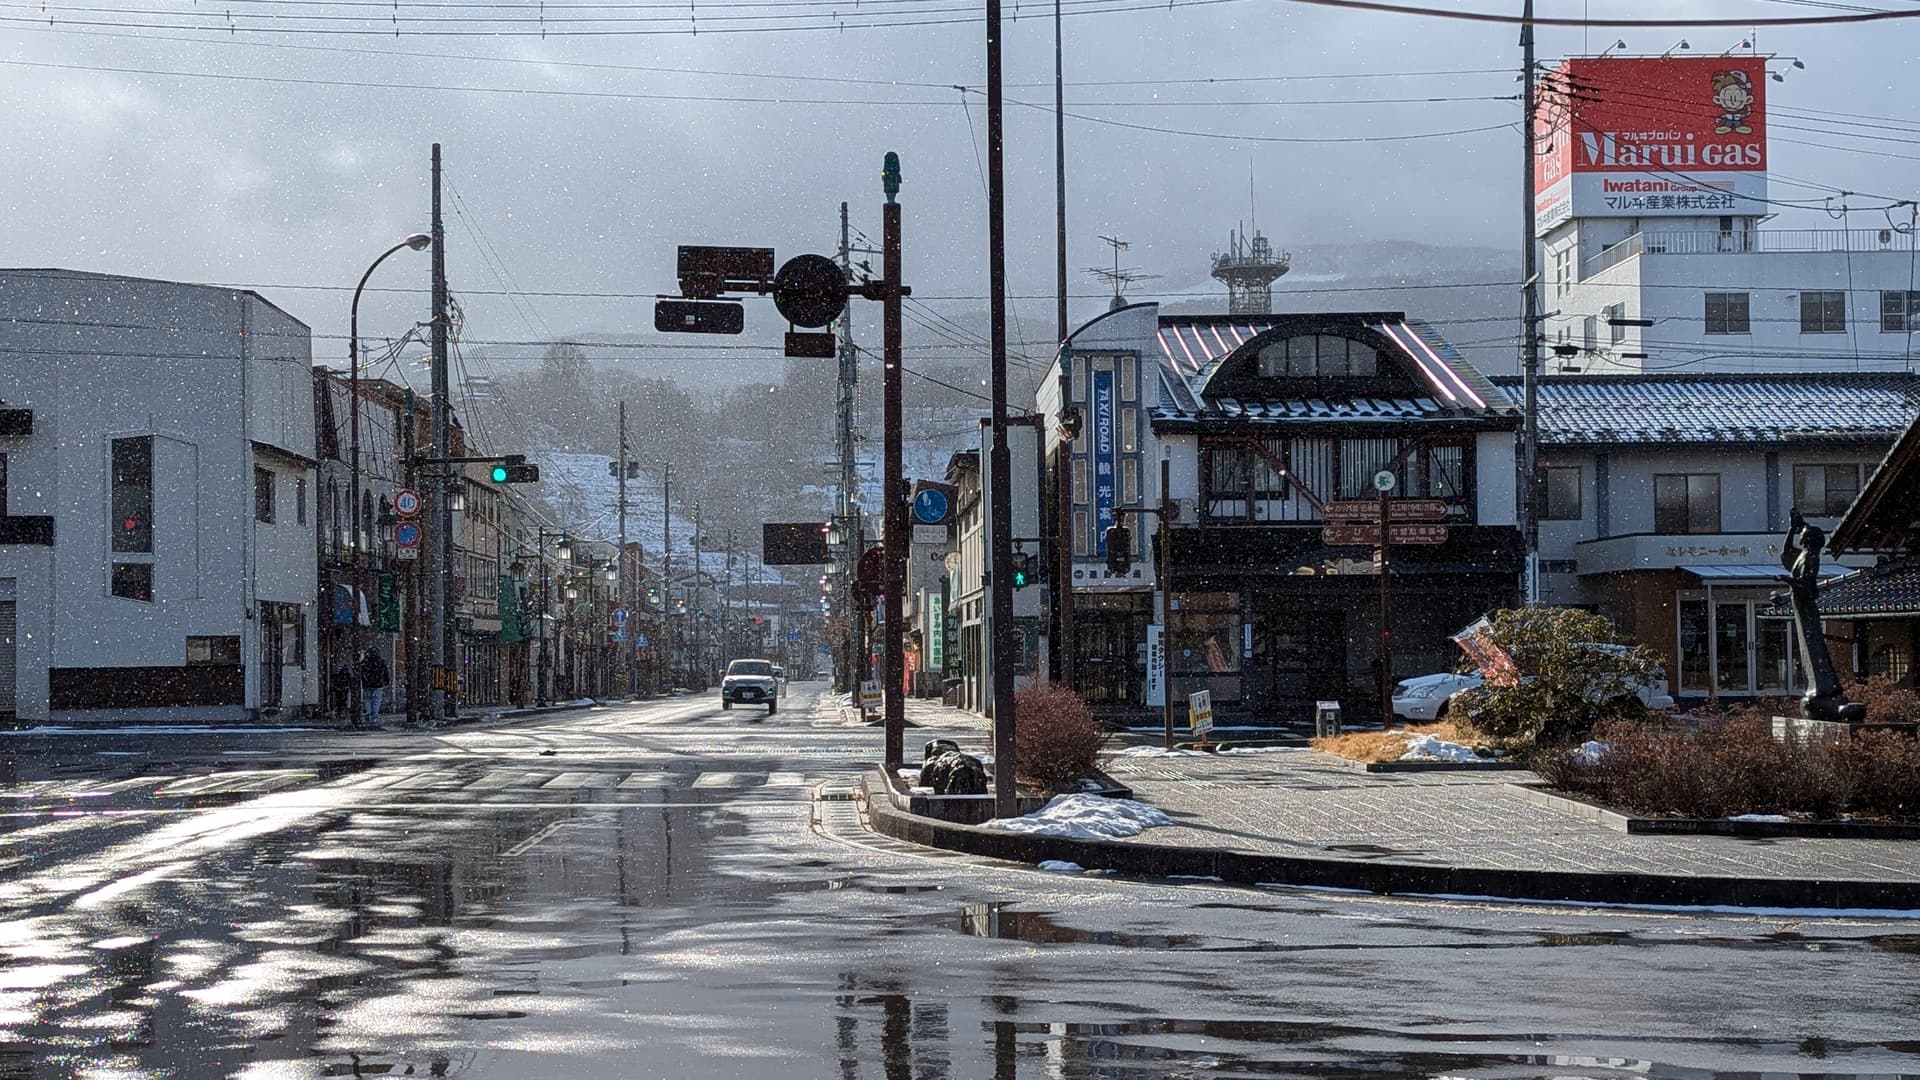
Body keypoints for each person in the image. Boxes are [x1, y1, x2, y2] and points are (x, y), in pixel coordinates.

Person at [359, 646, 391, 727]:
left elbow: (361, 672)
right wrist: (386, 681)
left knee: (367, 699)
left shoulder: (365, 661)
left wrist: (364, 680)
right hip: (378, 684)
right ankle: (374, 716)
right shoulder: (380, 661)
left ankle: (368, 712)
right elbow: (385, 671)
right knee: (376, 700)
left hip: (367, 684)